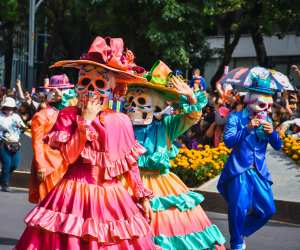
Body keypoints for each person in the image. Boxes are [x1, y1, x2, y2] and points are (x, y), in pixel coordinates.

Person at [15, 36, 158, 250]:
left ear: (112, 88)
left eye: (99, 83)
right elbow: (68, 157)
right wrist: (85, 122)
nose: (91, 89)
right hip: (72, 194)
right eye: (84, 81)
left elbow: (130, 165)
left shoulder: (120, 120)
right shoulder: (67, 115)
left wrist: (142, 197)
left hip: (111, 197)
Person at [125, 60, 226, 249]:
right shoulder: (124, 125)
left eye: (140, 101)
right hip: (130, 182)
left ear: (157, 105)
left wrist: (191, 97)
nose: (133, 106)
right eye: (130, 100)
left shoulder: (167, 125)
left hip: (160, 183)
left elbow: (192, 117)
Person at [217, 69, 283, 250]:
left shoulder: (267, 120)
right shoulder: (236, 118)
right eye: (263, 105)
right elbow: (229, 141)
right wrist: (246, 128)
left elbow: (278, 146)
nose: (266, 110)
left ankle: (240, 230)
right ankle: (237, 242)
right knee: (238, 208)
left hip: (259, 171)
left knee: (268, 210)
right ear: (251, 102)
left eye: (269, 106)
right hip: (239, 169)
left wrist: (273, 134)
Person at [28, 74, 76, 203]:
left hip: (65, 163)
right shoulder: (41, 115)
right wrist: (41, 165)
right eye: (60, 89)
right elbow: (37, 142)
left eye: (65, 89)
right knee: (49, 202)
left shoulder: (67, 113)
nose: (65, 93)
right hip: (48, 164)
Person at [0, 97, 26, 192]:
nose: (9, 109)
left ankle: (3, 178)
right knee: (6, 164)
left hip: (15, 143)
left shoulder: (16, 117)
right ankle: (5, 184)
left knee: (14, 164)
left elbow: (23, 128)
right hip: (3, 143)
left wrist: (21, 127)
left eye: (11, 108)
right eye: (7, 107)